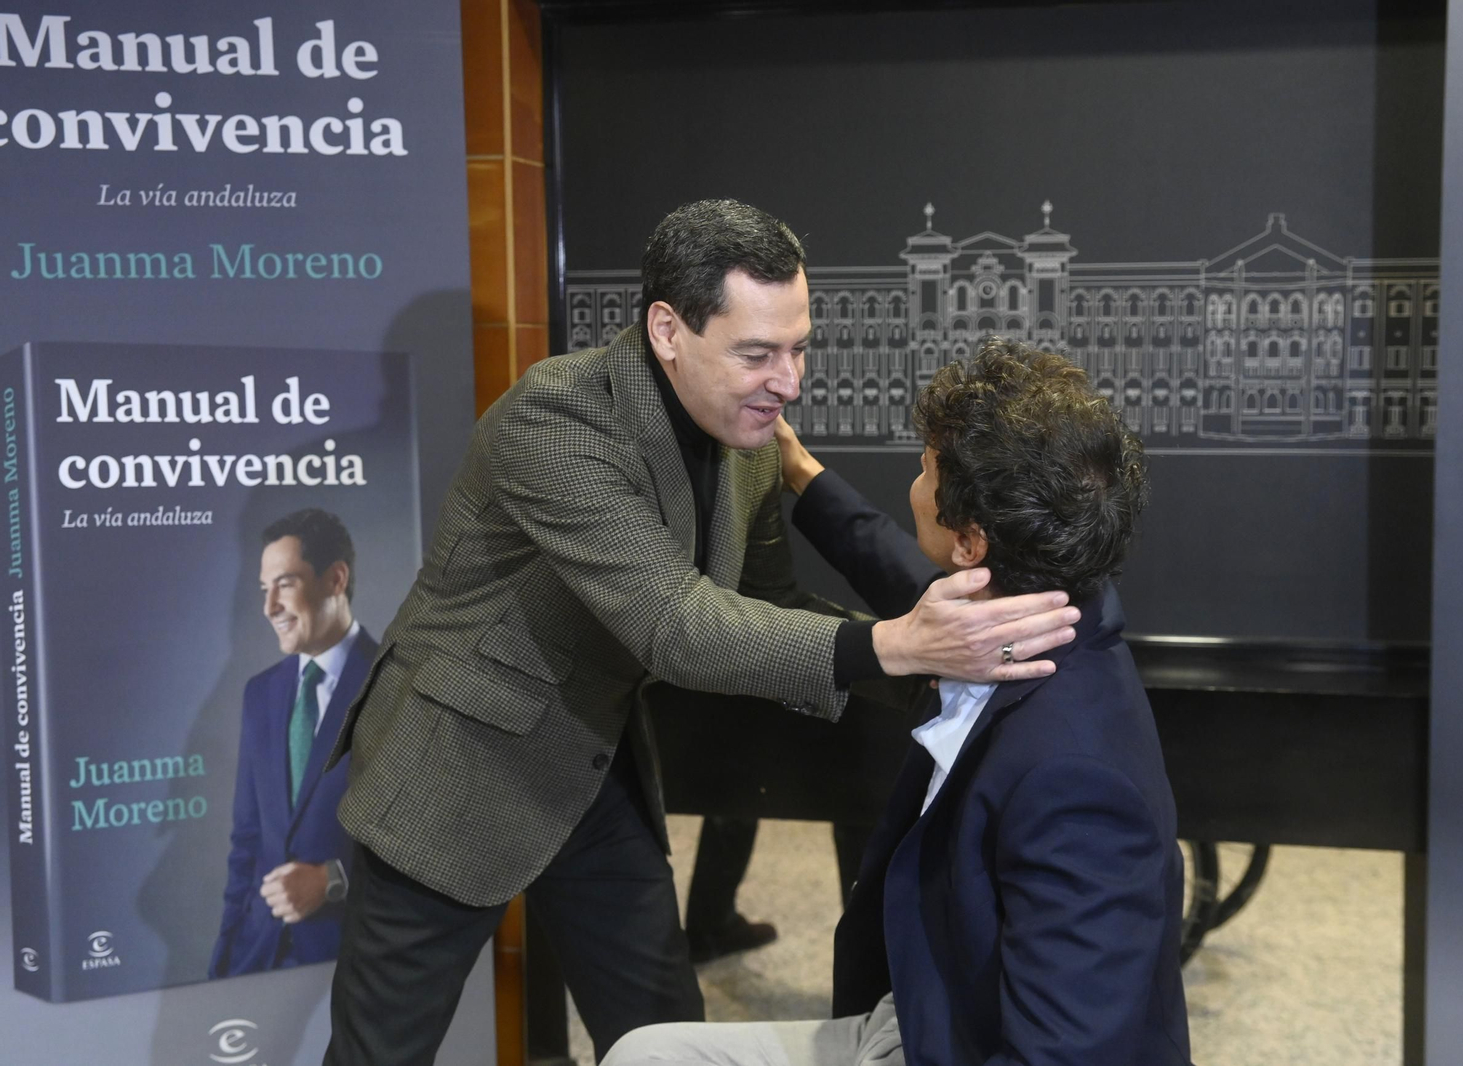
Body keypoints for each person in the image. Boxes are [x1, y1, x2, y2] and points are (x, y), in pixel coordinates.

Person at [320, 201, 1083, 1065]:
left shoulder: (747, 433)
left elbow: (768, 603)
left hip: (588, 761)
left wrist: (933, 654)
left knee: (661, 1035)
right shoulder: (557, 420)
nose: (788, 382)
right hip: (457, 760)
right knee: (379, 1053)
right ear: (667, 329)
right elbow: (673, 624)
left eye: (798, 348)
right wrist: (903, 644)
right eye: (757, 354)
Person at [603, 337, 1192, 1066]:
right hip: (929, 1013)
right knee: (644, 1054)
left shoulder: (1074, 780)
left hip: (956, 1042)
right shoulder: (1048, 608)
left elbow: (1065, 1054)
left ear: (971, 543)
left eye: (924, 467)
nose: (914, 480)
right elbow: (907, 578)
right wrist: (801, 473)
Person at [210, 509, 375, 978]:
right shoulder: (259, 694)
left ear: (335, 579)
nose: (270, 608)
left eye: (284, 584)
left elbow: (430, 839)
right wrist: (222, 965)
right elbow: (247, 842)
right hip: (256, 955)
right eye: (265, 590)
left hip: (354, 960)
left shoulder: (398, 685)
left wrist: (333, 880)